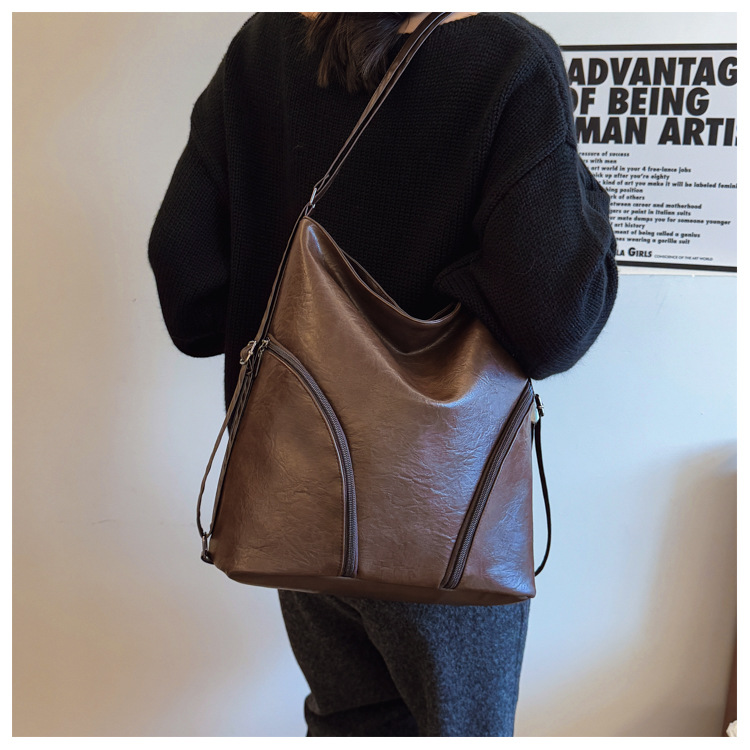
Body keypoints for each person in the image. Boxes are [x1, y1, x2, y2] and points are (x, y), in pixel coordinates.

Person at [148, 12, 618, 737]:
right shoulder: (507, 59)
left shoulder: (262, 47)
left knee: (351, 725)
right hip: (442, 510)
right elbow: (553, 319)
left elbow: (192, 293)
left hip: (296, 494)